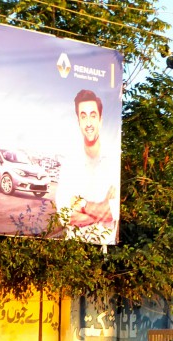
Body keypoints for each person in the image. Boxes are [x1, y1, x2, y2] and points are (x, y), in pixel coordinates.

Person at [54, 89, 120, 245]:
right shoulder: (70, 164)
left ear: (100, 120)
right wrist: (101, 209)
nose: (88, 123)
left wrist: (82, 204)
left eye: (93, 115)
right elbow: (64, 216)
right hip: (74, 250)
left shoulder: (113, 162)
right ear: (78, 122)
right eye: (83, 117)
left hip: (105, 250)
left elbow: (113, 211)